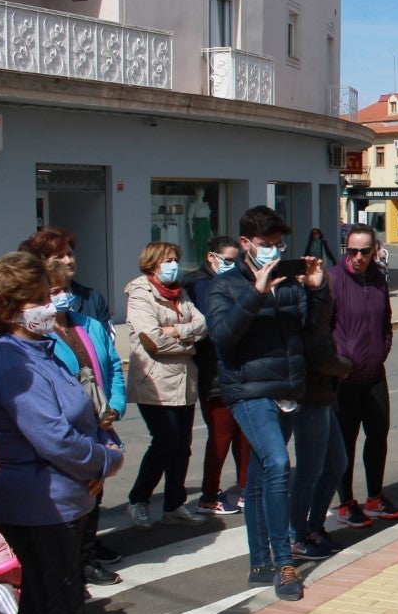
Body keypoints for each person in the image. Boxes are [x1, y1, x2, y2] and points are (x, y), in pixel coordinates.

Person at [0, 251, 128, 614]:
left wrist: (95, 455)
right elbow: (50, 434)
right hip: (41, 502)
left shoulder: (43, 348)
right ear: (11, 309)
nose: (51, 303)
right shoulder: (9, 359)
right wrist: (104, 461)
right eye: (38, 298)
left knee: (41, 607)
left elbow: (78, 412)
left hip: (63, 495)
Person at [207, 205, 320, 601]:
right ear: (245, 245)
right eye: (264, 245)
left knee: (259, 476)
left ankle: (259, 561)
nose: (272, 252)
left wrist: (317, 290)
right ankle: (283, 560)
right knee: (276, 462)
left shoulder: (289, 284)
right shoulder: (224, 287)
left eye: (278, 245)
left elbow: (311, 333)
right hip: (248, 391)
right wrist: (255, 294)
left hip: (287, 389)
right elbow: (222, 337)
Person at [44, 261, 127, 586]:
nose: (62, 297)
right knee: (72, 497)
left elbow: (115, 368)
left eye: (65, 290)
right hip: (68, 426)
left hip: (99, 423)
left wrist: (115, 407)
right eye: (54, 292)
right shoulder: (38, 334)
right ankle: (73, 563)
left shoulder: (89, 325)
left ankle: (88, 557)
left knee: (95, 493)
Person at [124, 242, 207, 529]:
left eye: (176, 259)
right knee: (165, 441)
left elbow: (203, 324)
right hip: (155, 382)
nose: (174, 264)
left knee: (182, 445)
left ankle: (174, 503)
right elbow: (153, 340)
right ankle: (139, 499)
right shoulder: (140, 293)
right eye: (168, 260)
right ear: (152, 263)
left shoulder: (180, 292)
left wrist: (179, 331)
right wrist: (188, 340)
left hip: (184, 380)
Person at [328, 225, 398, 527]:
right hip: (345, 378)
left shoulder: (379, 280)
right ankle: (345, 502)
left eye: (364, 251)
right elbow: (322, 327)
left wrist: (383, 349)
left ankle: (375, 496)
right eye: (351, 250)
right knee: (345, 441)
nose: (357, 257)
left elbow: (385, 322)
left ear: (374, 250)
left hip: (374, 372)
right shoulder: (333, 279)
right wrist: (339, 360)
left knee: (378, 434)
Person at [289, 270, 351, 561]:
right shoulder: (305, 315)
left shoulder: (321, 317)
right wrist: (345, 365)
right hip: (309, 399)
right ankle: (297, 535)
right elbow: (319, 358)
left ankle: (313, 526)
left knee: (337, 463)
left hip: (325, 398)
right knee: (309, 472)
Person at [184, 236, 249, 515]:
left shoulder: (235, 280)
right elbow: (211, 324)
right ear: (212, 257)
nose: (232, 265)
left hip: (240, 369)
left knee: (245, 433)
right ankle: (209, 494)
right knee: (221, 435)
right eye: (228, 260)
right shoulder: (198, 284)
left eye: (236, 260)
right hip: (214, 372)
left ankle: (247, 488)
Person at [20, 228, 111, 326]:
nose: (68, 261)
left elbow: (106, 337)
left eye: (70, 254)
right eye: (59, 256)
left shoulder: (93, 298)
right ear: (43, 262)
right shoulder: (32, 303)